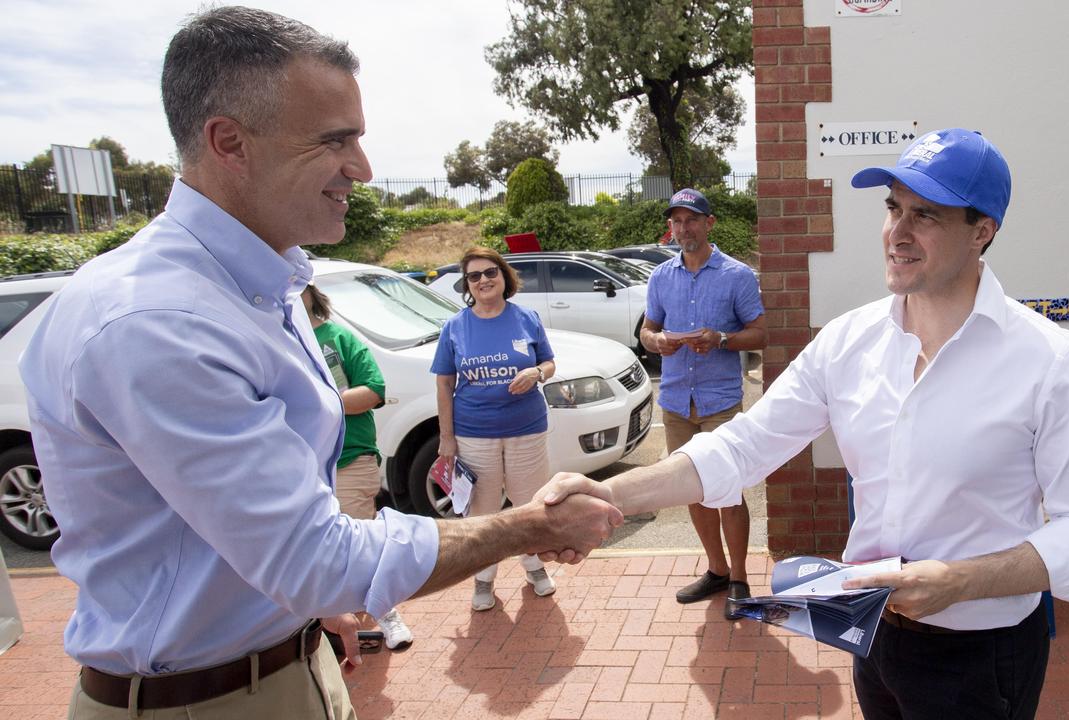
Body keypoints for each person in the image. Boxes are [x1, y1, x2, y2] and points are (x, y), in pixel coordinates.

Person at [17, 7, 620, 718]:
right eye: (336, 141)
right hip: (203, 702)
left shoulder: (258, 286)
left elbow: (261, 539)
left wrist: (295, 617)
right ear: (229, 142)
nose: (362, 169)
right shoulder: (160, 322)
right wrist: (531, 526)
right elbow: (314, 560)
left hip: (283, 663)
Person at [544, 129, 1069, 719]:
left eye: (924, 215)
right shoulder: (850, 341)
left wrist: (961, 581)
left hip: (982, 653)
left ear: (982, 232)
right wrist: (607, 492)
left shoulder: (1052, 362)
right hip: (872, 635)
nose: (896, 233)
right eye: (892, 208)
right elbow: (743, 446)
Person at [639, 187, 766, 619]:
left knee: (727, 491)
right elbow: (648, 330)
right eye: (676, 221)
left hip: (719, 403)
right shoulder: (661, 277)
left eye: (691, 220)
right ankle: (715, 569)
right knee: (694, 489)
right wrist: (655, 340)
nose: (683, 228)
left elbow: (762, 333)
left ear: (709, 224)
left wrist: (722, 339)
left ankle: (740, 579)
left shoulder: (736, 275)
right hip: (676, 401)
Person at [432, 247, 559, 612]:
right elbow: (443, 384)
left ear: (504, 276)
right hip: (474, 433)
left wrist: (536, 373)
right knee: (483, 512)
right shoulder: (455, 326)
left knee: (529, 505)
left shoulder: (526, 318)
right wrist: (447, 439)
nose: (484, 280)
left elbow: (549, 363)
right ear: (467, 284)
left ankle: (533, 566)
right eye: (474, 276)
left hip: (527, 429)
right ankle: (483, 578)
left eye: (490, 272)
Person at [301, 284, 412, 650]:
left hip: (349, 459)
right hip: (302, 464)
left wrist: (318, 401)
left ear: (311, 291)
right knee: (317, 547)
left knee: (359, 541)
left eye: (296, 286)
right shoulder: (274, 339)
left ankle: (387, 614)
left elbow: (373, 390)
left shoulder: (337, 337)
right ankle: (332, 624)